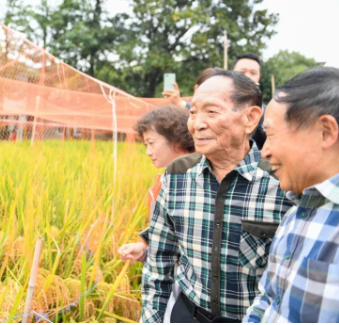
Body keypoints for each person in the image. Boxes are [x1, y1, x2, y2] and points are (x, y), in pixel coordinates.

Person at [141, 70, 293, 323]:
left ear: (250, 118)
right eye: (192, 112)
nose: (196, 124)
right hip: (188, 314)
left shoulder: (283, 181)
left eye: (211, 112)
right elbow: (159, 262)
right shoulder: (177, 174)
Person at [243, 67, 339, 323]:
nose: (265, 152)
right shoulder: (296, 212)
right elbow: (267, 297)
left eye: (271, 134)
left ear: (326, 132)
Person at [118, 105, 195, 322]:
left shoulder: (200, 181)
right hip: (168, 286)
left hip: (192, 291)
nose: (148, 151)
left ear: (177, 140)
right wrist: (144, 249)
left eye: (151, 143)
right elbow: (168, 240)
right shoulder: (160, 184)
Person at [232, 53, 266, 149]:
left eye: (253, 73)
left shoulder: (268, 113)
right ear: (231, 73)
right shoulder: (217, 107)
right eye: (242, 72)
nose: (248, 77)